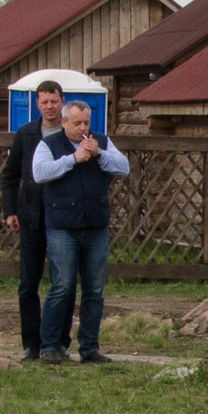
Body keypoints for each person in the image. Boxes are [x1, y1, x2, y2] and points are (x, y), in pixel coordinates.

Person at [31, 99, 128, 363]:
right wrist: (73, 159)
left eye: (86, 122)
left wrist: (99, 154)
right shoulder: (49, 145)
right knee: (61, 286)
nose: (83, 127)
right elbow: (39, 173)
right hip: (62, 226)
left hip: (95, 226)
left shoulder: (102, 142)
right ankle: (50, 346)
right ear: (63, 122)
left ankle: (90, 348)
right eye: (77, 123)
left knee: (94, 290)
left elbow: (124, 167)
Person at [0, 79, 65, 361]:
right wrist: (10, 211)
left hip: (63, 218)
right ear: (37, 104)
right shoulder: (26, 134)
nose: (49, 107)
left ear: (62, 101)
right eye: (44, 102)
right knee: (28, 283)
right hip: (31, 217)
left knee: (63, 282)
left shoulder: (72, 131)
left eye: (54, 101)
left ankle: (60, 341)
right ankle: (31, 343)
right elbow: (11, 175)